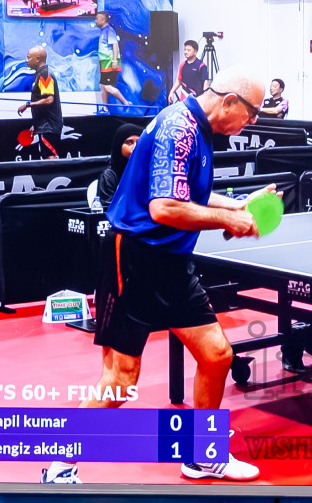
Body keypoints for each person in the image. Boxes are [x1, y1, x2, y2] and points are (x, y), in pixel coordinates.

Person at [105, 66, 272, 480]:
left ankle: (202, 454)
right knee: (122, 383)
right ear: (230, 100)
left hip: (173, 264)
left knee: (217, 356)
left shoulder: (198, 129)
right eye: (251, 113)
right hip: (138, 260)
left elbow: (187, 193)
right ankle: (58, 461)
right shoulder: (179, 128)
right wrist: (227, 222)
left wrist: (236, 206)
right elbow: (164, 208)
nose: (251, 123)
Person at [88, 123, 145, 411]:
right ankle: (105, 384)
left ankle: (108, 388)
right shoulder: (109, 176)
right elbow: (114, 212)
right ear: (118, 146)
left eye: (139, 141)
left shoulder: (147, 173)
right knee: (110, 330)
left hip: (141, 259)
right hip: (116, 254)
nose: (134, 147)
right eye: (128, 142)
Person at [15, 45, 62, 158]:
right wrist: (36, 124)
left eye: (28, 57)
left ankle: (53, 175)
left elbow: (49, 99)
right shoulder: (40, 74)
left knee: (50, 156)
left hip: (49, 127)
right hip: (43, 125)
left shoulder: (45, 75)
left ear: (37, 59)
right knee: (46, 155)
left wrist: (28, 105)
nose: (26, 61)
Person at [95, 11, 130, 105]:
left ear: (103, 19)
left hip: (109, 62)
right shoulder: (103, 31)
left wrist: (114, 61)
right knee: (103, 86)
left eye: (97, 19)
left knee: (107, 86)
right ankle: (105, 108)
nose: (95, 21)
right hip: (105, 63)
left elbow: (115, 45)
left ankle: (125, 102)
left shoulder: (109, 31)